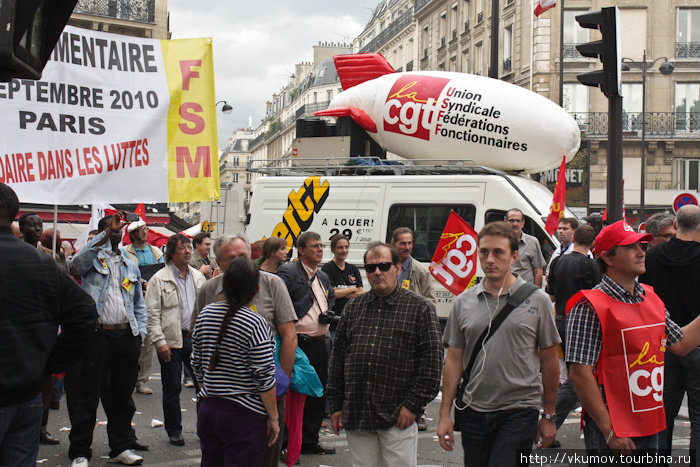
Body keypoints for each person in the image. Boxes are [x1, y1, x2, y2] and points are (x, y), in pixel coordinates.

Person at [566, 219, 700, 459]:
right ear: (608, 257)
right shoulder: (589, 306)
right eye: (631, 247)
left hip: (650, 422)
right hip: (614, 429)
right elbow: (580, 373)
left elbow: (680, 344)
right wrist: (609, 431)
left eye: (643, 247)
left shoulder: (650, 298)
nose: (641, 253)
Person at [437, 221, 560, 466]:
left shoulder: (538, 301)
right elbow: (453, 360)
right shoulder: (463, 302)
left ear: (514, 256)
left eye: (498, 252)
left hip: (520, 409)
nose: (490, 259)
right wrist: (444, 414)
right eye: (484, 252)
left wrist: (549, 415)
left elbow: (549, 360)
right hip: (473, 410)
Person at [0, 183, 97, 467]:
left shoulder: (43, 262)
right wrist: (49, 363)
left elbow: (83, 314)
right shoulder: (42, 263)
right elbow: (85, 313)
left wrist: (52, 362)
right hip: (27, 391)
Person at [328, 242, 443, 466]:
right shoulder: (353, 308)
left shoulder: (419, 308)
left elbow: (431, 365)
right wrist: (336, 405)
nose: (377, 272)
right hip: (358, 413)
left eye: (383, 266)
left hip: (397, 416)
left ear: (398, 268)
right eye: (371, 268)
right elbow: (338, 360)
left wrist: (412, 406)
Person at [191, 234, 298, 467]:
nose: (240, 263)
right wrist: (272, 414)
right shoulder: (252, 321)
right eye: (232, 259)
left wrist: (210, 389)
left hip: (216, 407)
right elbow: (262, 373)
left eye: (244, 257)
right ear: (219, 265)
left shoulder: (273, 284)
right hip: (246, 410)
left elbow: (196, 360)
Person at [68, 212, 148, 466]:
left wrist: (140, 333)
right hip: (98, 335)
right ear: (103, 233)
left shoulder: (130, 265)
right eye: (112, 229)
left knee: (122, 397)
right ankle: (80, 452)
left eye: (119, 229)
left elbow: (138, 304)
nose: (117, 232)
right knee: (87, 395)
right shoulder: (92, 261)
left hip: (126, 335)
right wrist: (103, 235)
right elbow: (75, 264)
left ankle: (120, 447)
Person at [641, 205, 700, 463]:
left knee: (662, 415)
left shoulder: (653, 257)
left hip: (661, 345)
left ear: (676, 225)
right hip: (698, 344)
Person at [278, 231, 336, 455]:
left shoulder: (322, 276)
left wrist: (327, 313)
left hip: (320, 343)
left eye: (322, 246)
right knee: (292, 394)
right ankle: (286, 444)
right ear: (301, 250)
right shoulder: (290, 272)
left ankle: (309, 441)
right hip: (297, 343)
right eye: (315, 246)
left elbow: (329, 297)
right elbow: (280, 300)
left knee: (316, 393)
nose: (320, 249)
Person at [146, 234, 205, 446]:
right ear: (172, 253)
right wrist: (159, 341)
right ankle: (174, 430)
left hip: (196, 338)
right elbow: (152, 314)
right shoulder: (159, 279)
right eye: (183, 248)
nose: (188, 251)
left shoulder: (198, 277)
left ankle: (204, 428)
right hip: (171, 340)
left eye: (189, 248)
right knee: (172, 388)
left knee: (204, 387)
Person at [547, 224, 600, 447]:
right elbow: (598, 296)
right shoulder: (590, 265)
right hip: (581, 323)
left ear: (575, 237)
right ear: (593, 243)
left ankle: (548, 426)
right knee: (577, 378)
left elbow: (551, 293)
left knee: (574, 375)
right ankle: (547, 426)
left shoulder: (558, 260)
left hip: (560, 318)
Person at [121, 219, 163, 396]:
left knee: (147, 343)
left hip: (150, 301)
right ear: (133, 234)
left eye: (146, 228)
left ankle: (142, 380)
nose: (145, 232)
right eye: (141, 230)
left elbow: (161, 273)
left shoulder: (156, 252)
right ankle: (126, 378)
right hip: (131, 301)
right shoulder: (124, 252)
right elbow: (123, 276)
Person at [321, 233, 363, 319]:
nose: (344, 250)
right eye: (340, 247)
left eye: (346, 247)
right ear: (333, 249)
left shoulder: (353, 269)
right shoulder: (327, 268)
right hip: (334, 318)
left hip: (352, 317)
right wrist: (351, 289)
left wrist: (341, 292)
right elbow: (332, 294)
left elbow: (360, 294)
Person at [390, 227, 436, 306]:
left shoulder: (422, 271)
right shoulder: (383, 267)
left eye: (409, 243)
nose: (407, 247)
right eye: (403, 243)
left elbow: (430, 302)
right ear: (393, 244)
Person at [505, 208, 546, 287]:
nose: (515, 224)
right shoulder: (499, 242)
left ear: (523, 223)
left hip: (525, 293)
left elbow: (538, 271)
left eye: (518, 221)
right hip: (504, 291)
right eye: (512, 220)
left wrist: (535, 294)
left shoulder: (532, 242)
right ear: (505, 222)